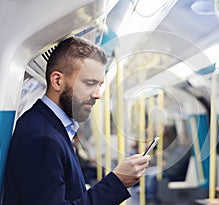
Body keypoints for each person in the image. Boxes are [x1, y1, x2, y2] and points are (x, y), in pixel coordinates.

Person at [2, 36, 151, 205]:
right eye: (89, 83)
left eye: (100, 85)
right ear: (57, 81)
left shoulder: (51, 127)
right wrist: (117, 181)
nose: (97, 94)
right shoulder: (43, 138)